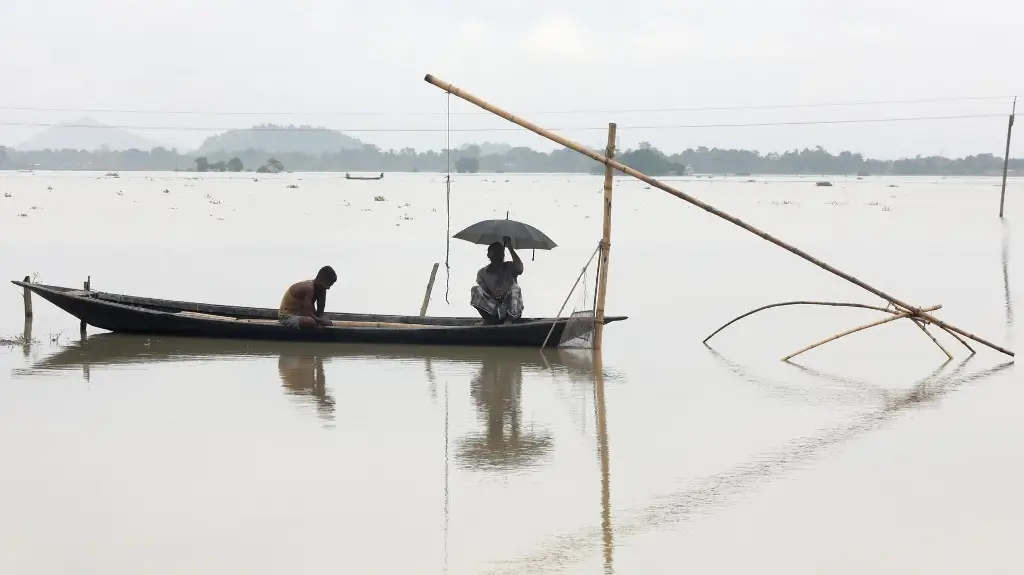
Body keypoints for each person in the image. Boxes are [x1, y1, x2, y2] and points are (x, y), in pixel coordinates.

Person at [470, 237, 524, 325]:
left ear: (503, 255)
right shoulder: (482, 273)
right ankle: (488, 320)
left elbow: (520, 269)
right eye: (494, 252)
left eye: (500, 252)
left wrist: (510, 247)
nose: (498, 254)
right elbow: (484, 296)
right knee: (475, 290)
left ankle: (508, 321)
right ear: (488, 255)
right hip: (494, 309)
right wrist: (494, 295)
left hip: (511, 309)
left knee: (515, 288)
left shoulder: (509, 266)